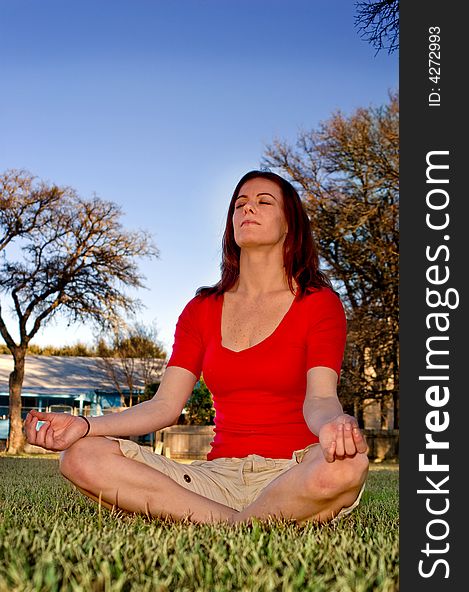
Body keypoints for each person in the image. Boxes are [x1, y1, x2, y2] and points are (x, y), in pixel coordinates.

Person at [24, 170, 369, 524]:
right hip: (213, 479)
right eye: (240, 204)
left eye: (264, 202)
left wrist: (333, 424)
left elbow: (321, 398)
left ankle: (224, 521)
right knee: (80, 457)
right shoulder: (201, 309)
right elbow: (165, 406)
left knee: (348, 465)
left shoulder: (319, 303)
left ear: (289, 225)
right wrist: (84, 425)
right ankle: (248, 523)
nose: (248, 209)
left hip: (293, 473)